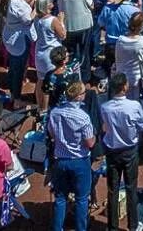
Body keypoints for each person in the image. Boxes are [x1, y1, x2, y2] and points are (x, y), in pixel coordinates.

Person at [46, 79, 99, 231]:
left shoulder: (55, 112)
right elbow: (90, 143)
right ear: (78, 96)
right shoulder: (83, 117)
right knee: (82, 199)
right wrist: (95, 136)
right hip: (80, 161)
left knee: (60, 198)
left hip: (60, 160)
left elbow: (51, 133)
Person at [98, 73, 143, 231]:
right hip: (129, 151)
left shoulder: (105, 107)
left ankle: (112, 227)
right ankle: (133, 226)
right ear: (124, 87)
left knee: (112, 189)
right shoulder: (134, 106)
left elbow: (103, 127)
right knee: (131, 187)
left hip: (112, 151)